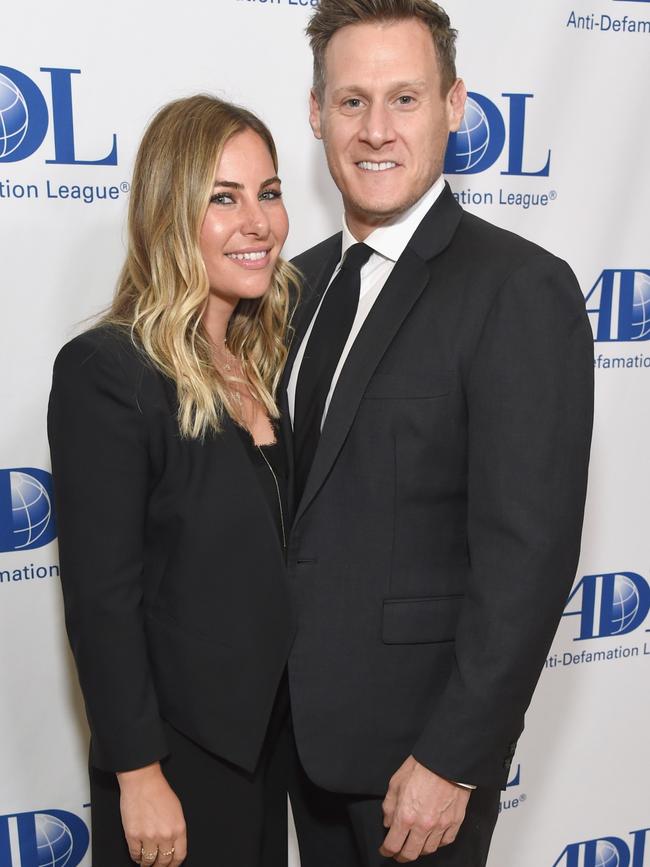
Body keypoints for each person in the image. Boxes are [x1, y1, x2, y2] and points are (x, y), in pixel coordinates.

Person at [281, 2, 594, 865]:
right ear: (315, 113)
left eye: (405, 99)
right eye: (351, 102)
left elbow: (527, 557)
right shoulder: (292, 289)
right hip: (293, 750)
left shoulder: (520, 290)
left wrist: (455, 759)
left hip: (418, 769)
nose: (375, 130)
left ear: (455, 105)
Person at [48, 95, 299, 867]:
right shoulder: (109, 370)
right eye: (222, 197)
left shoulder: (261, 366)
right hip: (174, 763)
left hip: (265, 752)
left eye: (269, 191)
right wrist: (139, 771)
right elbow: (103, 596)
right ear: (169, 211)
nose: (257, 221)